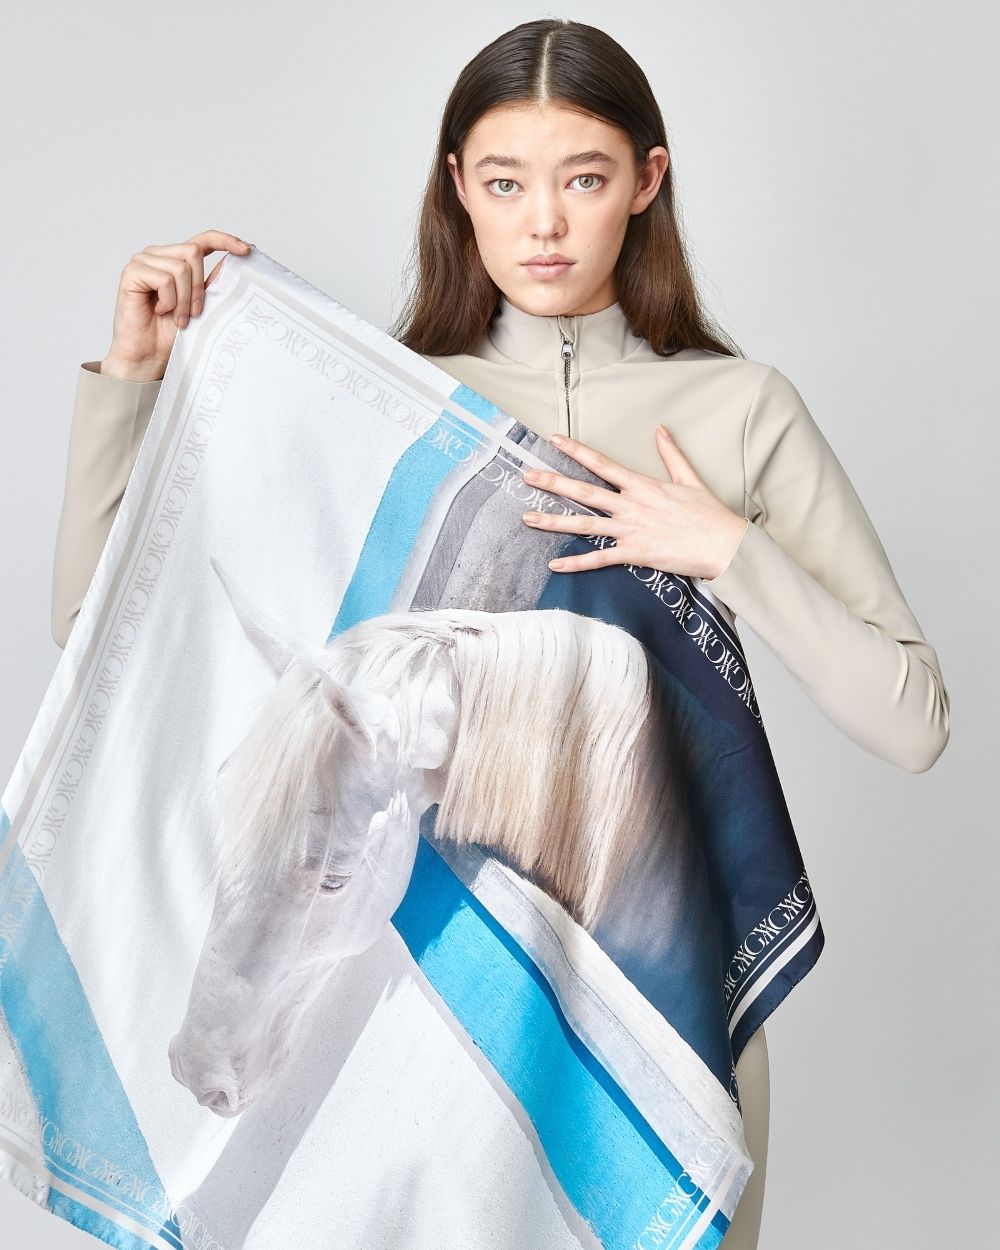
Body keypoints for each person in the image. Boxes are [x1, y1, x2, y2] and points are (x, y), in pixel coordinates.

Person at [49, 17, 950, 1248]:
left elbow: (911, 722)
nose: (544, 224)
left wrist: (723, 546)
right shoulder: (387, 405)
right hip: (439, 1066)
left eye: (584, 179)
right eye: (505, 182)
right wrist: (131, 384)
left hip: (663, 1043)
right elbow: (101, 635)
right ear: (457, 188)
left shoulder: (740, 410)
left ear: (646, 181)